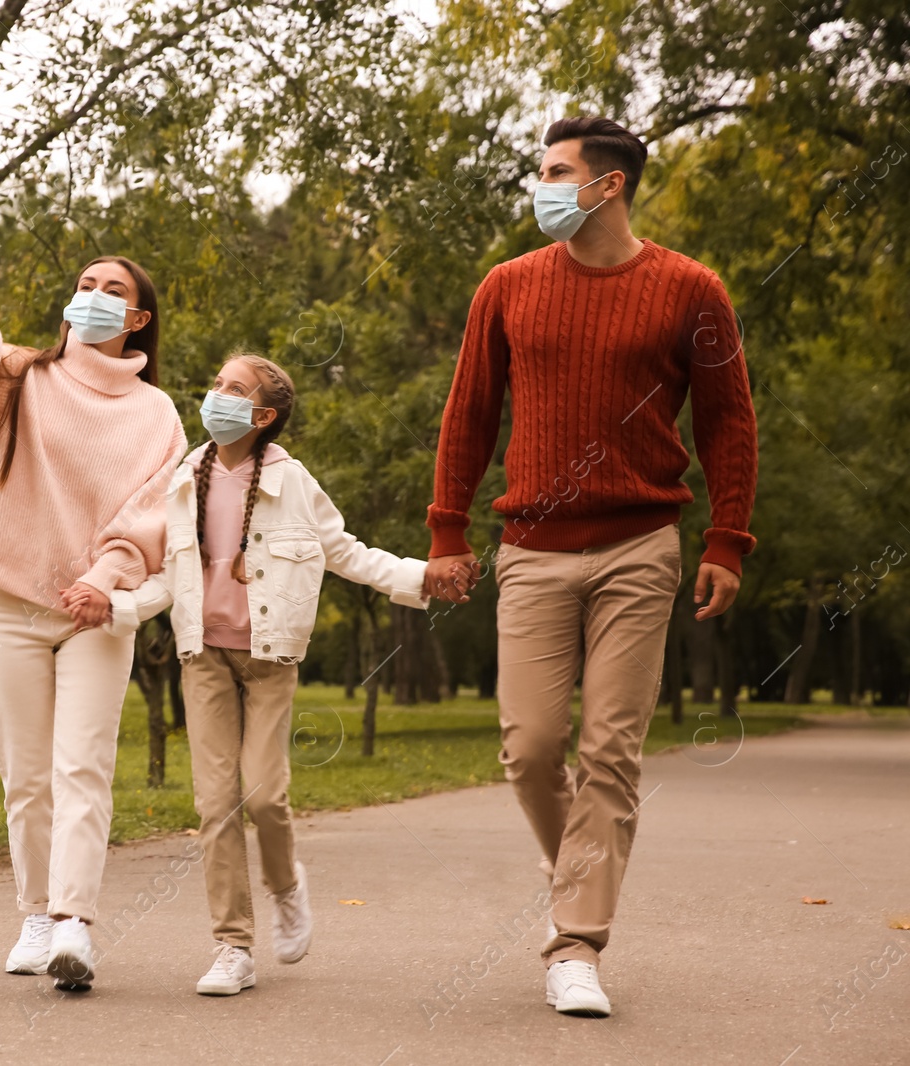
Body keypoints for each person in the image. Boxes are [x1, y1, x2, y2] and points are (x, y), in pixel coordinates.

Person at [422, 117, 759, 1017]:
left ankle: (576, 943)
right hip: (531, 545)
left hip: (640, 546)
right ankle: (577, 863)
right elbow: (470, 414)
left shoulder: (693, 290)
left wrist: (730, 539)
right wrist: (446, 531)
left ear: (607, 186)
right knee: (530, 749)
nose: (540, 187)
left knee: (610, 751)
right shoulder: (508, 287)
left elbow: (728, 422)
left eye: (555, 172)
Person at [84, 352, 430, 997]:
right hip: (203, 654)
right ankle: (233, 945)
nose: (216, 394)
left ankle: (285, 886)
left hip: (270, 657)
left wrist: (418, 577)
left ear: (263, 415)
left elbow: (344, 551)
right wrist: (119, 606)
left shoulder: (292, 481)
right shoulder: (188, 474)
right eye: (216, 382)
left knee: (264, 795)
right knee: (216, 803)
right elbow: (170, 573)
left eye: (233, 388)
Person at [0, 229, 186, 992]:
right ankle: (34, 915)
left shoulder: (158, 413)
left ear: (137, 320)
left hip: (93, 613)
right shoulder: (19, 377)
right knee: (26, 775)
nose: (93, 295)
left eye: (113, 290)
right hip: (8, 602)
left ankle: (74, 924)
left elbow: (151, 513)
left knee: (82, 767)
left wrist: (107, 578)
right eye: (86, 281)